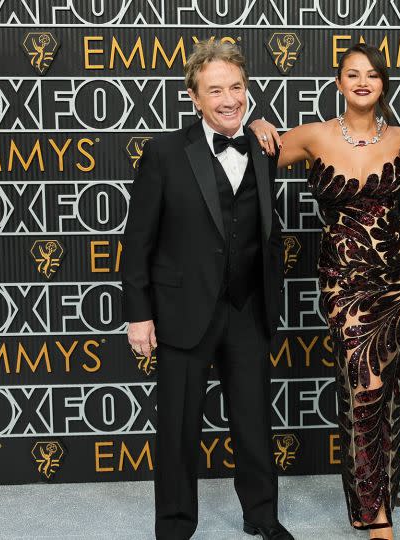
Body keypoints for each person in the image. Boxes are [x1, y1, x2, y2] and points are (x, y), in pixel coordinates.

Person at [250, 44, 400, 540]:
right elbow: (242, 168)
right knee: (361, 387)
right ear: (339, 82)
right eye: (353, 74)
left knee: (391, 389)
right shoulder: (311, 137)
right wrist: (256, 128)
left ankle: (383, 484)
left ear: (383, 83)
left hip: (398, 280)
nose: (362, 81)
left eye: (372, 74)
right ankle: (375, 516)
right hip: (344, 282)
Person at [121, 40, 292, 540]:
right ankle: (175, 526)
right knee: (177, 429)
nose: (229, 99)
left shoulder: (265, 144)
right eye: (215, 90)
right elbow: (137, 242)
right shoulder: (165, 153)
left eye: (236, 87)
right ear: (194, 97)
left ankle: (262, 515)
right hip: (181, 310)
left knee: (255, 423)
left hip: (248, 306)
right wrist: (139, 314)